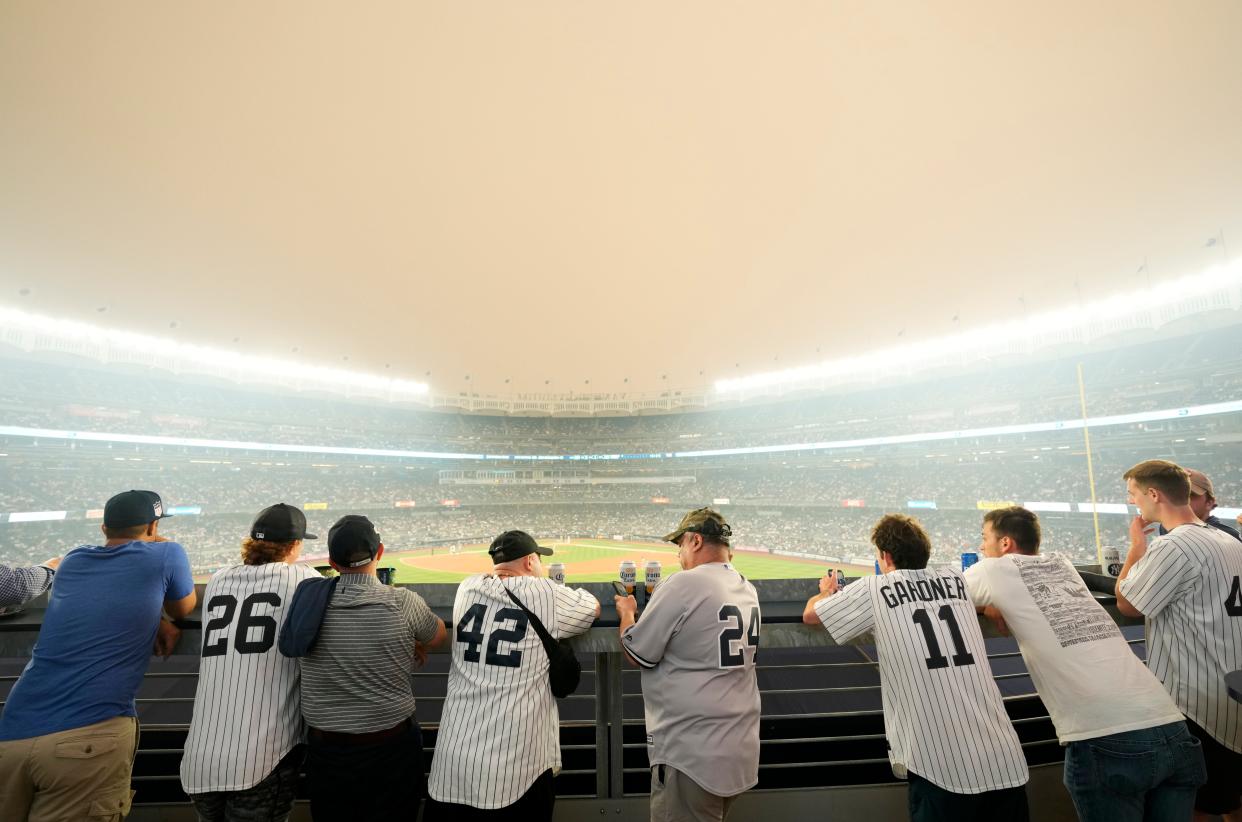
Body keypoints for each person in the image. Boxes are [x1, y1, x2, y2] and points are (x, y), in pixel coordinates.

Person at [963, 506, 1204, 821]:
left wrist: (986, 604)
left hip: (1107, 737)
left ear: (1005, 543)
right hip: (1170, 726)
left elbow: (938, 599)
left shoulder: (990, 569)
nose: (982, 547)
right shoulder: (1061, 563)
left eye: (985, 539)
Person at [802, 513, 1029, 822]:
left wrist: (826, 590)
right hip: (1004, 759)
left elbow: (812, 616)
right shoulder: (956, 579)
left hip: (939, 766)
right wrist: (986, 606)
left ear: (886, 556)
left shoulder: (875, 587)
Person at [0, 489, 196, 822]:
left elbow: (98, 599)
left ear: (104, 528)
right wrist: (159, 616)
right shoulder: (167, 553)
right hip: (87, 739)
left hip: (13, 733)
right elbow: (183, 607)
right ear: (153, 526)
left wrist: (151, 615)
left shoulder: (74, 558)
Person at [425, 530, 599, 820]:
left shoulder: (466, 588)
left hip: (451, 766)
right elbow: (591, 608)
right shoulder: (544, 592)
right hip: (514, 774)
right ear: (531, 562)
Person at [1115, 460, 1242, 822]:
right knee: (1229, 799)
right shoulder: (1228, 539)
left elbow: (1127, 603)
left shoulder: (1175, 546)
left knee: (1197, 808)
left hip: (1198, 701)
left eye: (1134, 495)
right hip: (1231, 688)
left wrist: (1137, 544)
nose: (1134, 504)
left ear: (1154, 494)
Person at [298, 514, 447, 822]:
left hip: (326, 751)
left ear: (332, 561)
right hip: (391, 748)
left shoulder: (307, 602)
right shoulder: (403, 602)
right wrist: (408, 640)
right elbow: (437, 635)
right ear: (380, 553)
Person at [615, 508, 760, 822]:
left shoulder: (684, 583)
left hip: (691, 754)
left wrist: (627, 613)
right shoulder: (747, 587)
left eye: (679, 545)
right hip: (739, 748)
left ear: (695, 541)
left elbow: (636, 651)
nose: (679, 554)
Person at [180, 503, 321, 821]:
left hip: (200, 760)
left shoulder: (218, 580)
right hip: (262, 758)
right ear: (294, 545)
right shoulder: (305, 580)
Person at [1157, 468, 1241, 542]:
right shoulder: (1166, 527)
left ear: (1209, 502)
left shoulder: (1229, 537)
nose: (1178, 500)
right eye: (1173, 494)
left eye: (1188, 495)